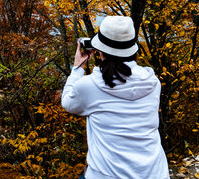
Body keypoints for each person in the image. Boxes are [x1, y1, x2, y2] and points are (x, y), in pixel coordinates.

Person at [61, 15, 169, 179]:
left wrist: (77, 68)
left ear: (100, 50)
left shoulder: (91, 85)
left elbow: (67, 103)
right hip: (154, 173)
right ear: (132, 49)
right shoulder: (152, 83)